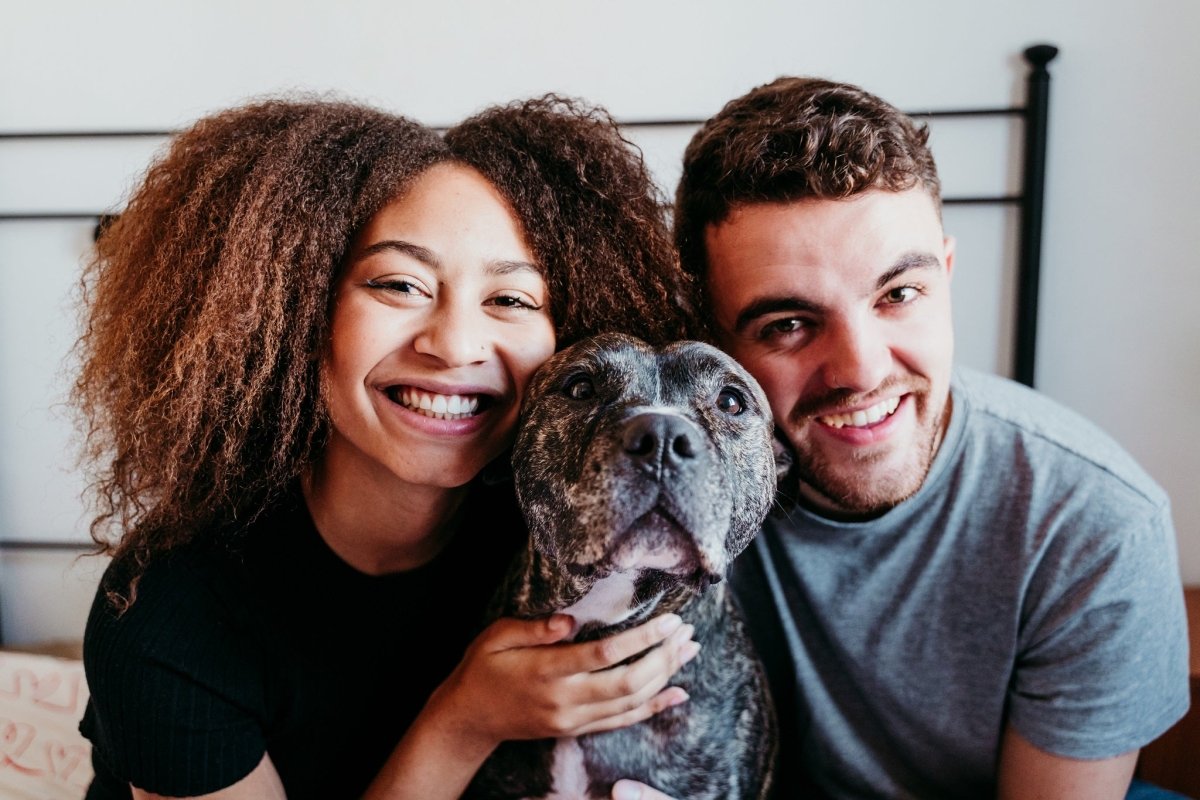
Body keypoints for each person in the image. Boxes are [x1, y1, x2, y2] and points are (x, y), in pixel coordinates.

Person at [74, 95, 701, 800]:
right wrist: (465, 721)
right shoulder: (173, 610)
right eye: (400, 285)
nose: (456, 346)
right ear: (297, 315)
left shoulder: (560, 540)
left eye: (512, 300)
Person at [661, 76, 1190, 799]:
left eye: (897, 295)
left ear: (944, 276)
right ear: (712, 338)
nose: (860, 370)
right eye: (787, 324)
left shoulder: (1096, 527)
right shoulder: (664, 483)